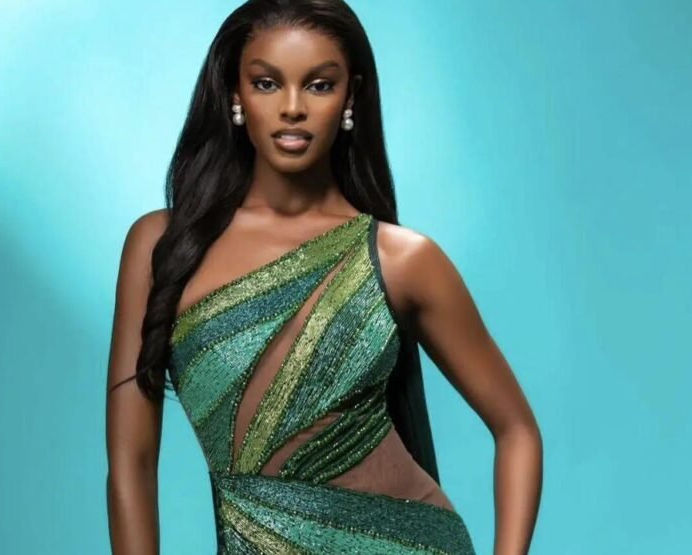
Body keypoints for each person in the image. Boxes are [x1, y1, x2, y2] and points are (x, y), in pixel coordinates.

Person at [106, 1, 543, 553]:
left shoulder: (400, 259)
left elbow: (518, 430)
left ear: (349, 97)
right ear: (235, 94)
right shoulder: (160, 246)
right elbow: (131, 464)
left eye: (318, 85)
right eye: (267, 83)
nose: (292, 108)